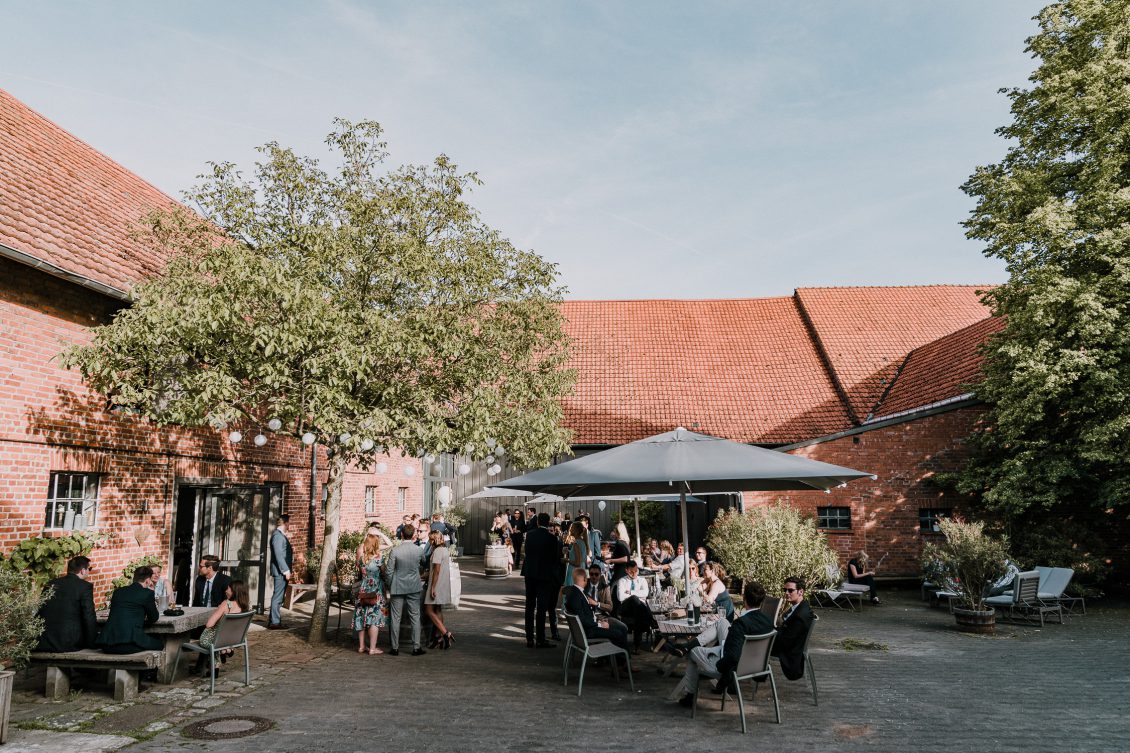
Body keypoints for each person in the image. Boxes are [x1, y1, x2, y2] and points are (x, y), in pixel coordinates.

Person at [669, 581, 775, 707]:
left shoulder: (741, 624)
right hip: (755, 665)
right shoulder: (768, 621)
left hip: (733, 667)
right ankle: (687, 646)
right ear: (761, 601)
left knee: (694, 652)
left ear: (744, 598)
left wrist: (720, 668)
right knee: (722, 622)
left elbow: (732, 657)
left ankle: (690, 696)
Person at [563, 567, 634, 672]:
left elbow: (610, 608)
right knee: (618, 633)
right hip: (589, 628)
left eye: (596, 574)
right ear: (585, 578)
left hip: (601, 617)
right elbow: (583, 619)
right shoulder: (579, 593)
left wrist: (597, 606)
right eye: (591, 574)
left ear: (600, 575)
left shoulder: (602, 588)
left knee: (622, 628)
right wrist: (599, 625)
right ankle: (621, 664)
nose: (594, 577)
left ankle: (621, 663)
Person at [36, 555, 98, 652]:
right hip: (67, 643)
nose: (89, 571)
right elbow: (88, 616)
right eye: (89, 568)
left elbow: (41, 609)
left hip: (44, 641)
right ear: (82, 570)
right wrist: (93, 643)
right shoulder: (85, 587)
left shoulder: (51, 583)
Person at [98, 566, 163, 654]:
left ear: (134, 578)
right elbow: (154, 618)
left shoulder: (118, 592)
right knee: (160, 644)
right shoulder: (147, 593)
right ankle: (152, 668)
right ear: (147, 580)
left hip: (107, 644)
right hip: (128, 644)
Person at [385, 524, 427, 656]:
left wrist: (389, 584)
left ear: (402, 535)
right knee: (415, 616)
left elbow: (389, 571)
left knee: (395, 618)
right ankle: (416, 647)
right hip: (413, 585)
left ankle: (395, 647)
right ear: (413, 534)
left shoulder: (395, 551)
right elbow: (423, 563)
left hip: (397, 586)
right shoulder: (419, 550)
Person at [521, 512, 561, 648]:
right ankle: (540, 638)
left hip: (530, 573)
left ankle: (529, 638)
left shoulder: (530, 536)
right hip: (544, 575)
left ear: (538, 522)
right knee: (542, 608)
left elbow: (526, 552)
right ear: (548, 522)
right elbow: (556, 559)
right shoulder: (552, 539)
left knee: (529, 606)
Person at [198, 580, 250, 676]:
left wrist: (219, 610)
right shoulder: (245, 608)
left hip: (215, 640)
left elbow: (209, 624)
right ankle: (224, 653)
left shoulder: (226, 604)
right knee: (218, 644)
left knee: (214, 643)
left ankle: (218, 660)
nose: (225, 591)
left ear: (234, 591)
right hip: (233, 640)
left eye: (228, 589)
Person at [771, 576, 815, 680]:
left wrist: (768, 631)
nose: (786, 593)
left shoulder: (800, 616)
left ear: (801, 592)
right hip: (786, 642)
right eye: (785, 590)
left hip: (788, 651)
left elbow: (786, 640)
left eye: (790, 590)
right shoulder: (801, 606)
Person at [353, 527, 388, 655]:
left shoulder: (361, 559)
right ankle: (372, 648)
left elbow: (358, 568)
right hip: (376, 590)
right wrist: (380, 534)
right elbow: (384, 572)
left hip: (363, 589)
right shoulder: (378, 558)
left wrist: (367, 536)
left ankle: (361, 646)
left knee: (361, 616)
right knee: (374, 618)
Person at [613, 561, 659, 652]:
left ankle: (637, 644)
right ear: (626, 570)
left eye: (636, 571)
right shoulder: (622, 581)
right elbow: (621, 597)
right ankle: (651, 621)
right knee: (635, 600)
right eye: (631, 571)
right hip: (626, 607)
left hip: (639, 609)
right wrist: (636, 595)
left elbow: (645, 593)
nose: (634, 573)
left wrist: (630, 592)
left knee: (638, 609)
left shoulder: (642, 580)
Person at [424, 530, 455, 649]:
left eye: (430, 539)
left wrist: (432, 587)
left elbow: (436, 570)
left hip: (437, 584)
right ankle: (439, 638)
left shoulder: (437, 551)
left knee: (428, 610)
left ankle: (445, 633)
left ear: (433, 540)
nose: (429, 541)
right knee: (437, 609)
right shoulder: (444, 550)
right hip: (443, 583)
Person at [268, 515, 294, 629]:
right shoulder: (278, 536)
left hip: (281, 571)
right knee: (278, 597)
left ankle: (273, 620)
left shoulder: (279, 535)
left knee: (278, 596)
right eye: (289, 523)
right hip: (280, 571)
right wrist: (286, 570)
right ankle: (275, 622)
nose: (289, 525)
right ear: (285, 523)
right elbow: (279, 555)